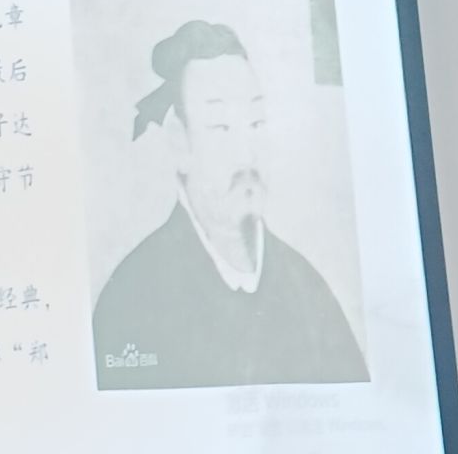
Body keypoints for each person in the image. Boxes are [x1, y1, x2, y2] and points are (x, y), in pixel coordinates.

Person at [91, 19, 367, 391]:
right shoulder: (131, 298)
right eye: (221, 127)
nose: (246, 155)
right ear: (180, 142)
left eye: (256, 123)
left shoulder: (307, 290)